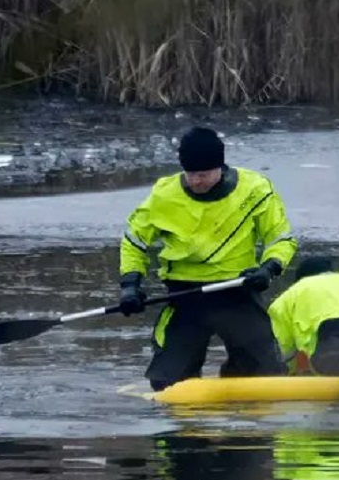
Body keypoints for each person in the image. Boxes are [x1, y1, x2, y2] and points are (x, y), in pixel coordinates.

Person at [118, 126, 297, 390]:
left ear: (220, 168)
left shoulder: (255, 190)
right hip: (185, 296)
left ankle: (239, 379)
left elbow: (280, 239)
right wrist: (130, 285)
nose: (196, 181)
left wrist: (268, 269)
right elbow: (133, 242)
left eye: (203, 174)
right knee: (165, 382)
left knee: (267, 377)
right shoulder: (163, 195)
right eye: (191, 174)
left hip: (237, 292)